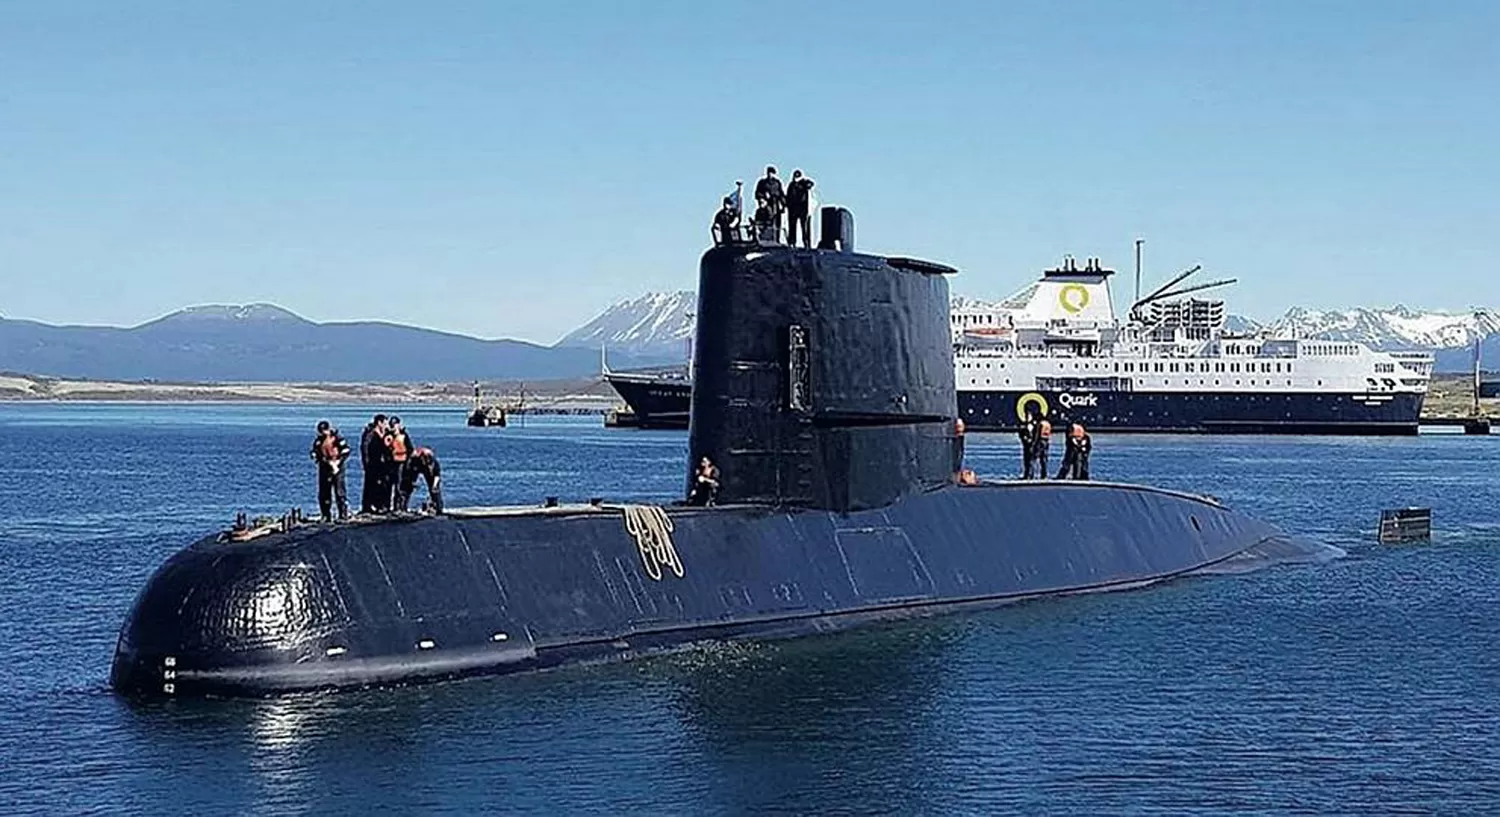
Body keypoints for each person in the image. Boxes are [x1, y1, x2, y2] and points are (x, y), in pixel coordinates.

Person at [309, 420, 351, 522]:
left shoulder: (337, 438)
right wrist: (315, 455)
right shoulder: (319, 441)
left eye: (324, 431)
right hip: (324, 467)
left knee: (339, 491)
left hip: (338, 467)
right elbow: (315, 451)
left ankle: (343, 514)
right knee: (324, 492)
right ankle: (326, 515)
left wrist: (338, 462)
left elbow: (346, 450)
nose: (322, 433)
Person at [399, 446, 444, 514]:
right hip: (413, 468)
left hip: (427, 470)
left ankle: (438, 508)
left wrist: (434, 485)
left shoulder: (433, 462)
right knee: (406, 488)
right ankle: (402, 507)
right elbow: (407, 473)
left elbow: (436, 475)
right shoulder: (412, 459)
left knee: (435, 489)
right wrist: (412, 482)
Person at [360, 414, 390, 513]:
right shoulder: (371, 434)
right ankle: (369, 506)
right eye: (385, 423)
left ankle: (379, 505)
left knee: (380, 484)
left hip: (380, 464)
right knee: (370, 485)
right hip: (372, 464)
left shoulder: (384, 434)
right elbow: (365, 448)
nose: (387, 425)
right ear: (379, 423)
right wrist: (366, 462)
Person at [384, 416, 414, 510]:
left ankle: (399, 507)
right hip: (390, 463)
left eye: (395, 424)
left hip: (401, 462)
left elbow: (410, 449)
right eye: (392, 425)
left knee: (399, 485)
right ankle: (387, 506)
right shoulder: (387, 436)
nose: (394, 427)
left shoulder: (404, 436)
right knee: (388, 485)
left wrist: (408, 463)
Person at [785, 169, 815, 248]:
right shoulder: (791, 185)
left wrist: (804, 182)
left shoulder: (804, 183)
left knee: (804, 227)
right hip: (793, 209)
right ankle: (792, 242)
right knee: (792, 227)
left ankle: (806, 243)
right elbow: (788, 197)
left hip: (803, 209)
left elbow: (811, 184)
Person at [754, 165, 785, 232]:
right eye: (769, 173)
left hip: (775, 204)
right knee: (766, 220)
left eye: (772, 173)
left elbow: (781, 194)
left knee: (776, 221)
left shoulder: (777, 183)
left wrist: (783, 205)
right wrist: (763, 197)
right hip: (765, 205)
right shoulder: (762, 182)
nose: (770, 174)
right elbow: (757, 193)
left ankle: (776, 237)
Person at [1019, 407, 1040, 479]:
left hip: (1033, 445)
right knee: (1026, 460)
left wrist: (1033, 442)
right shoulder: (1023, 425)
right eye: (1026, 416)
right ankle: (1026, 474)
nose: (1027, 417)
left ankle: (1030, 475)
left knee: (1031, 460)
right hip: (1026, 445)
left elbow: (1037, 435)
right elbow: (1021, 434)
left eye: (1029, 416)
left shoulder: (1035, 425)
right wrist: (1024, 439)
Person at [1033, 413, 1053, 479]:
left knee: (1034, 458)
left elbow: (1037, 433)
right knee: (1044, 459)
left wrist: (1034, 442)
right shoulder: (1048, 424)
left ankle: (1031, 473)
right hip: (1046, 441)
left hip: (1040, 441)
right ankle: (1044, 475)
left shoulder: (1040, 424)